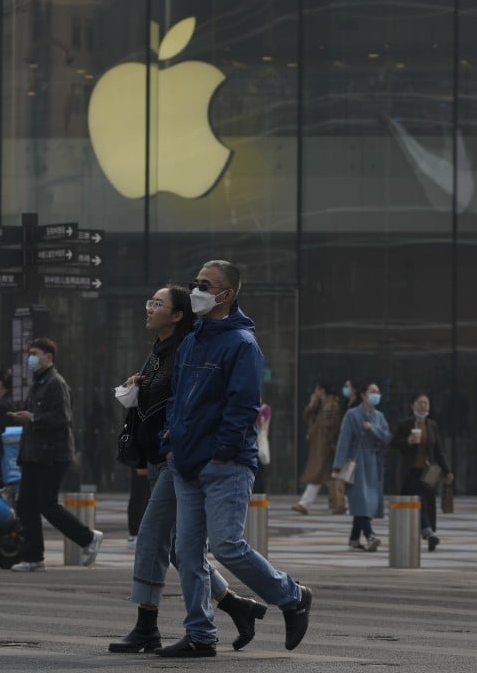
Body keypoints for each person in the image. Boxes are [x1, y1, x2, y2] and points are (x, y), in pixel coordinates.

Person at [157, 261, 311, 658]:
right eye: (195, 283)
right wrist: (170, 440)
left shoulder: (242, 344)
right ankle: (200, 635)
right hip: (187, 462)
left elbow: (243, 407)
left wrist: (219, 452)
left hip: (223, 464)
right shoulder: (193, 339)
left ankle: (292, 596)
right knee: (186, 553)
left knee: (227, 545)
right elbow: (177, 396)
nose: (196, 290)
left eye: (205, 285)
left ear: (226, 295)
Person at [109, 284, 266, 655]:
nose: (149, 308)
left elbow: (198, 404)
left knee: (152, 538)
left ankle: (147, 627)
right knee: (183, 551)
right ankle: (237, 606)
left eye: (158, 303)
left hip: (178, 457)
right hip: (163, 456)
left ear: (177, 315)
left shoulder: (187, 349)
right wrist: (137, 387)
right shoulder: (159, 352)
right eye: (149, 301)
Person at [9, 338, 103, 572]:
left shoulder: (55, 383)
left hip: (51, 455)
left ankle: (88, 537)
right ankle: (33, 557)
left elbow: (63, 418)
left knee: (47, 505)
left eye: (34, 353)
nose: (30, 358)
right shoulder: (39, 383)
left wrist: (32, 418)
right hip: (33, 454)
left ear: (48, 357)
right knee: (26, 505)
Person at [390, 392, 453, 551]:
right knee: (418, 502)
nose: (423, 406)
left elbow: (439, 450)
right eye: (420, 403)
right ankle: (428, 532)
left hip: (428, 472)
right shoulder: (405, 424)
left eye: (426, 403)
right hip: (410, 471)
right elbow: (393, 443)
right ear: (412, 405)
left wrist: (447, 471)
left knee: (427, 502)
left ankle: (428, 531)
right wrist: (408, 441)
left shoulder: (432, 425)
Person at [332, 381, 391, 551]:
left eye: (378, 392)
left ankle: (354, 538)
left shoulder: (379, 417)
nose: (376, 395)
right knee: (361, 499)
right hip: (356, 463)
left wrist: (372, 428)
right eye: (373, 391)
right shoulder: (352, 415)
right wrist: (337, 465)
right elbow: (344, 441)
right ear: (363, 395)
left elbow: (387, 436)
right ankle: (370, 535)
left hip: (374, 463)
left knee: (367, 502)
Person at [293, 381, 345, 515]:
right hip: (320, 446)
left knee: (319, 475)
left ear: (322, 391)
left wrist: (331, 443)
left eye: (317, 390)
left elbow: (331, 427)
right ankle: (339, 503)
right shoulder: (321, 406)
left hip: (325, 447)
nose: (315, 392)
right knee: (328, 477)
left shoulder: (330, 406)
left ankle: (305, 503)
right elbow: (307, 416)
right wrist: (312, 404)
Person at [253, 400, 271, 494]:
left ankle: (261, 492)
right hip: (253, 444)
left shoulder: (265, 409)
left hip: (258, 443)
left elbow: (262, 423)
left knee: (260, 470)